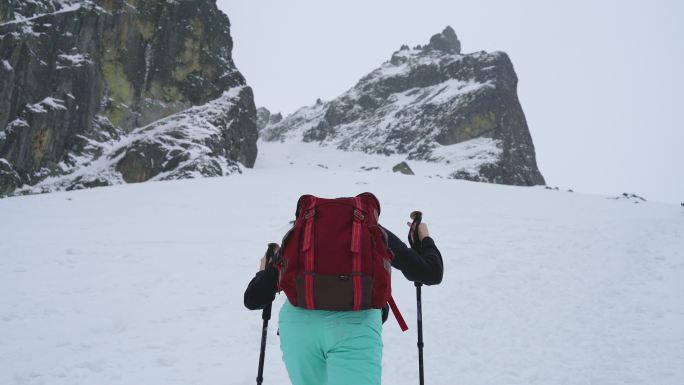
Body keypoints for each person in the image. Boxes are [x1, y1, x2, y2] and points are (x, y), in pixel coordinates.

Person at [244, 220, 443, 385]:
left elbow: (254, 299)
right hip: (356, 325)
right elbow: (431, 272)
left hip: (299, 327)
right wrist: (424, 237)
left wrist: (264, 270)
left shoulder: (300, 234)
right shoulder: (373, 230)